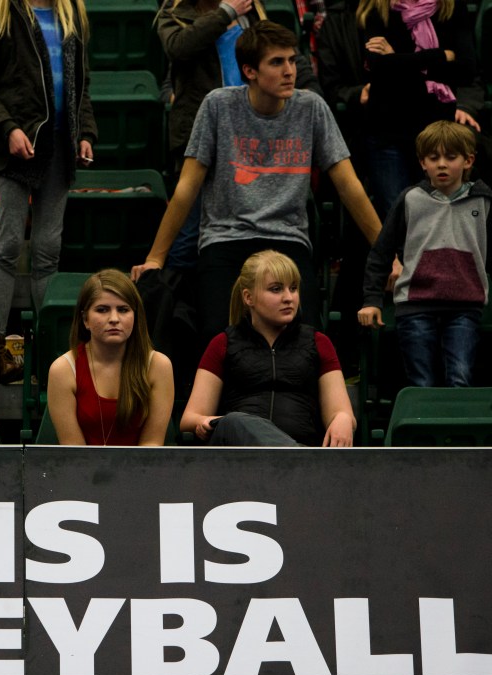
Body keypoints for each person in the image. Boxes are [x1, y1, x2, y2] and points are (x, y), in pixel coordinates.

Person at [131, 21, 381, 377]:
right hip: (225, 239)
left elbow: (349, 186)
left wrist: (389, 255)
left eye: (292, 60)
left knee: (305, 340)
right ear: (249, 71)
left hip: (287, 239)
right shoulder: (218, 106)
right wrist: (155, 258)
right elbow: (187, 187)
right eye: (277, 62)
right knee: (217, 339)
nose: (290, 71)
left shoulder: (311, 108)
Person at [0, 0, 96, 381]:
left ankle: (51, 357)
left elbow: (81, 87)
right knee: (7, 247)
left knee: (47, 252)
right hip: (17, 147)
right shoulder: (0, 12)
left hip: (59, 148)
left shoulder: (72, 13)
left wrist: (85, 132)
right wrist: (7, 127)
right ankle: (3, 356)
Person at [156, 0, 322, 269]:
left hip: (252, 140)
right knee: (188, 237)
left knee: (248, 234)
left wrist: (310, 89)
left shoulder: (251, 11)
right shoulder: (177, 12)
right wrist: (226, 13)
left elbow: (283, 54)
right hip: (203, 138)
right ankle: (178, 294)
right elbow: (179, 48)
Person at [358, 121, 492, 387]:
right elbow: (381, 253)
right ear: (422, 162)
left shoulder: (483, 202)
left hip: (465, 308)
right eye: (433, 158)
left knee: (460, 378)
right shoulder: (410, 199)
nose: (442, 164)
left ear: (468, 161)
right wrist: (371, 300)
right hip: (415, 306)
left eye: (451, 157)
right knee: (421, 382)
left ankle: (455, 418)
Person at [180, 250, 356, 446]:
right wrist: (204, 421)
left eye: (293, 288)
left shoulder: (318, 342)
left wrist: (343, 418)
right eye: (276, 289)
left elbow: (342, 411)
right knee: (233, 420)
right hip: (239, 455)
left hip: (301, 451)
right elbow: (190, 418)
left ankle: (290, 455)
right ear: (248, 297)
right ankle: (291, 455)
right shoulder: (223, 343)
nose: (289, 298)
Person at [355, 0, 480, 218]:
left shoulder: (451, 7)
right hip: (388, 132)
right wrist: (441, 56)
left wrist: (395, 58)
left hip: (437, 136)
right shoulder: (378, 7)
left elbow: (466, 70)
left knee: (437, 219)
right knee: (398, 219)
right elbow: (378, 68)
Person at [47, 269, 174, 445]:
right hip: (82, 463)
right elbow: (74, 452)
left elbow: (151, 446)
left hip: (142, 463)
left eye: (123, 310)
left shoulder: (158, 366)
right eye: (102, 310)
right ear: (85, 319)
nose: (114, 318)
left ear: (135, 316)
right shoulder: (63, 370)